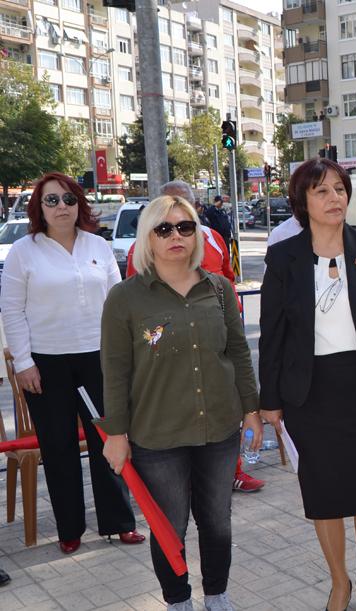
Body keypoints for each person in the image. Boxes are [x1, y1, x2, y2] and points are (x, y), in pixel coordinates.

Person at [257, 158, 356, 611]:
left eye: (340, 190)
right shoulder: (284, 258)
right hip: (310, 394)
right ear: (302, 202)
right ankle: (338, 583)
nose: (334, 199)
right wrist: (269, 400)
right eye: (322, 191)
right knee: (324, 494)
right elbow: (273, 334)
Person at [101, 195, 262, 611]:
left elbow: (239, 354)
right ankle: (177, 600)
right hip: (158, 436)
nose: (176, 236)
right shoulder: (125, 298)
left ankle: (217, 595)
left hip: (219, 429)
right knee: (169, 526)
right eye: (164, 228)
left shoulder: (220, 288)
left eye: (185, 227)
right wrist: (116, 434)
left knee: (216, 522)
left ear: (197, 234)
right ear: (147, 237)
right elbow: (115, 372)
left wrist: (252, 412)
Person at [0, 172, 144, 555]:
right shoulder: (23, 251)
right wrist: (25, 363)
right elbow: (11, 310)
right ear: (39, 208)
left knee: (108, 441)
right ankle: (70, 528)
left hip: (99, 360)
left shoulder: (98, 245)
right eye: (51, 201)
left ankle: (119, 522)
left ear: (79, 203)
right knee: (59, 446)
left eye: (68, 199)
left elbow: (119, 305)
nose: (61, 207)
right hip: (46, 366)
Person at [123, 181, 265, 494]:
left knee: (221, 409)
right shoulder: (139, 248)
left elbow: (227, 278)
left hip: (216, 338)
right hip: (168, 348)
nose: (176, 225)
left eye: (185, 211)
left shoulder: (213, 238)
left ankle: (232, 472)